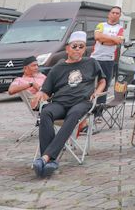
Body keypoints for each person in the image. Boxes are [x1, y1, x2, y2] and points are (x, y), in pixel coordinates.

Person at [32, 31, 105, 178]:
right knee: (46, 112)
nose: (77, 49)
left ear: (84, 49)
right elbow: (47, 90)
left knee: (74, 114)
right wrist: (40, 94)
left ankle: (45, 158)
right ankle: (51, 161)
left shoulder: (91, 63)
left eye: (81, 46)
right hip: (59, 102)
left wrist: (97, 92)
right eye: (74, 46)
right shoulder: (58, 68)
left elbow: (102, 80)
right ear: (67, 49)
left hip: (81, 102)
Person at [91, 6, 125, 108]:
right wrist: (112, 39)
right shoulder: (101, 25)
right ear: (109, 14)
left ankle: (98, 111)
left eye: (117, 13)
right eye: (113, 12)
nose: (115, 15)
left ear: (119, 16)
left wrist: (103, 40)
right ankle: (88, 108)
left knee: (104, 85)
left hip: (109, 60)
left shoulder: (120, 28)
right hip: (95, 58)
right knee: (91, 84)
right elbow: (97, 37)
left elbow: (119, 41)